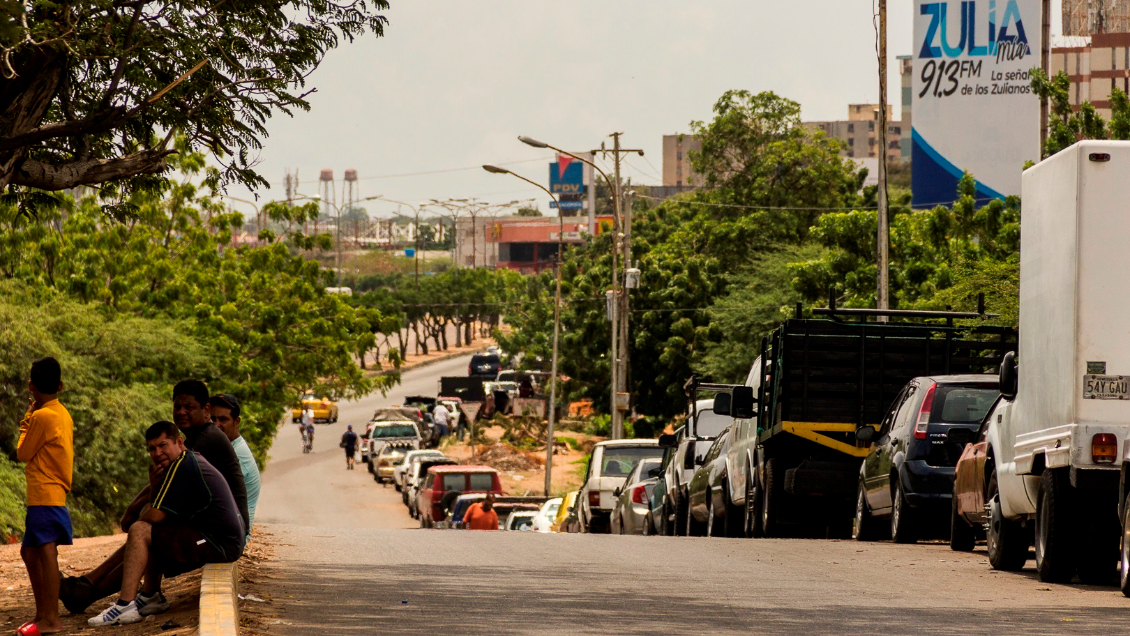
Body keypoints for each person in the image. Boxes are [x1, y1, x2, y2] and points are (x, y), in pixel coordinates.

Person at [61, 380, 249, 614]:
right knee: (144, 534)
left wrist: (132, 511)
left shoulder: (205, 441)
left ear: (206, 410)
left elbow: (161, 490)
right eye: (177, 406)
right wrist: (138, 508)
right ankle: (89, 584)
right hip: (206, 524)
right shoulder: (193, 438)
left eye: (189, 407)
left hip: (220, 534)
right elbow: (162, 482)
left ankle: (91, 592)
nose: (181, 412)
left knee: (144, 534)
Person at [87, 421, 244, 627]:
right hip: (216, 539)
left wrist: (145, 511)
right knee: (153, 533)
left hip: (218, 543)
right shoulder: (182, 463)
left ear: (179, 442)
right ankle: (150, 596)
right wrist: (153, 492)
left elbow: (154, 515)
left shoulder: (183, 465)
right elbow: (158, 515)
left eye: (163, 445)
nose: (157, 452)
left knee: (140, 531)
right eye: (152, 448)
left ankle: (125, 605)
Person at [16, 357, 73, 636]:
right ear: (60, 385)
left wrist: (27, 417)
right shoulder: (62, 412)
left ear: (32, 386)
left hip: (44, 492)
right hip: (53, 491)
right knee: (29, 551)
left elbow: (23, 453)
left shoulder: (41, 416)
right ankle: (43, 615)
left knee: (46, 552)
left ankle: (51, 619)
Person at [210, 394, 260, 543]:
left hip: (231, 538)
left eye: (223, 419)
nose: (216, 425)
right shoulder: (224, 448)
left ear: (236, 422)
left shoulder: (236, 455)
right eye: (213, 419)